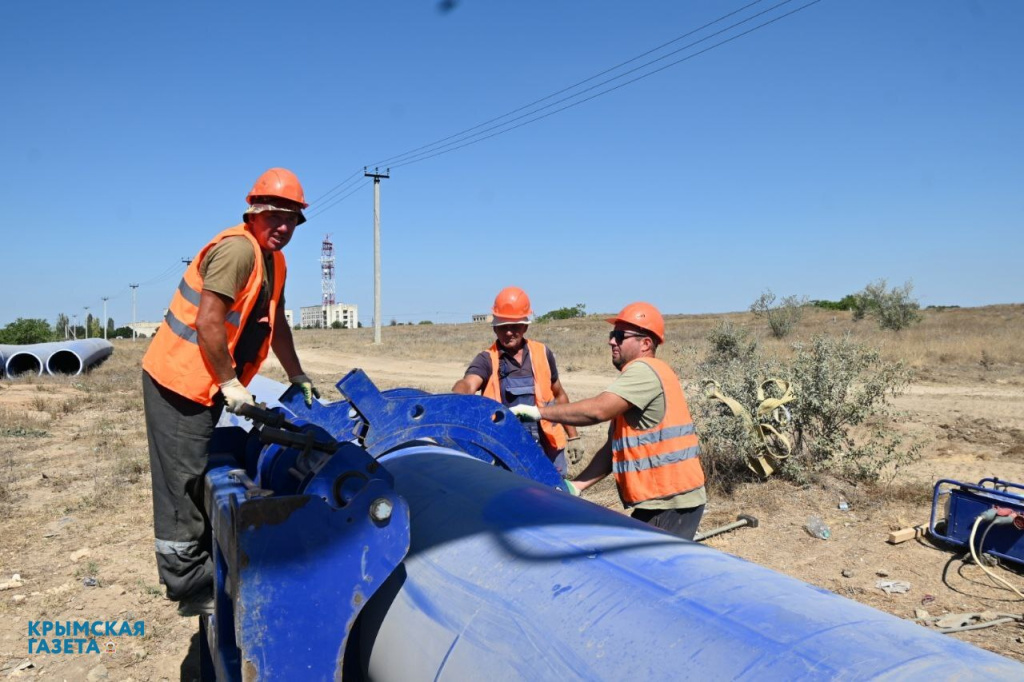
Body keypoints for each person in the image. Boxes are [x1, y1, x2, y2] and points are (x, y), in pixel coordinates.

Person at [141, 168, 320, 616]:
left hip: (204, 380)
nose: (283, 226)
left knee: (200, 468)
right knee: (181, 480)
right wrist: (229, 384)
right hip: (178, 380)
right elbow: (207, 322)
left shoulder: (274, 260)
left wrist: (297, 375)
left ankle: (208, 558)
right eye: (275, 216)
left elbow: (274, 323)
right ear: (254, 214)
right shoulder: (238, 251)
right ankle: (189, 587)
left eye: (292, 219)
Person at [511, 302, 706, 540]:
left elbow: (598, 411)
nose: (612, 341)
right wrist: (578, 485)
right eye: (612, 335)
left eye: (620, 336)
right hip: (663, 500)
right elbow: (614, 449)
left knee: (651, 572)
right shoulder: (643, 375)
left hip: (671, 501)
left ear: (645, 343)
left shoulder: (644, 370)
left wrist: (539, 413)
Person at [452, 286, 585, 475]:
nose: (508, 332)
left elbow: (559, 395)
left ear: (525, 326)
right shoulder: (486, 359)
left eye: (514, 326)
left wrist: (573, 436)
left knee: (554, 497)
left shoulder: (542, 353)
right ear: (495, 328)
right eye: (503, 327)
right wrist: (457, 396)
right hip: (508, 447)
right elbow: (468, 383)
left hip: (549, 446)